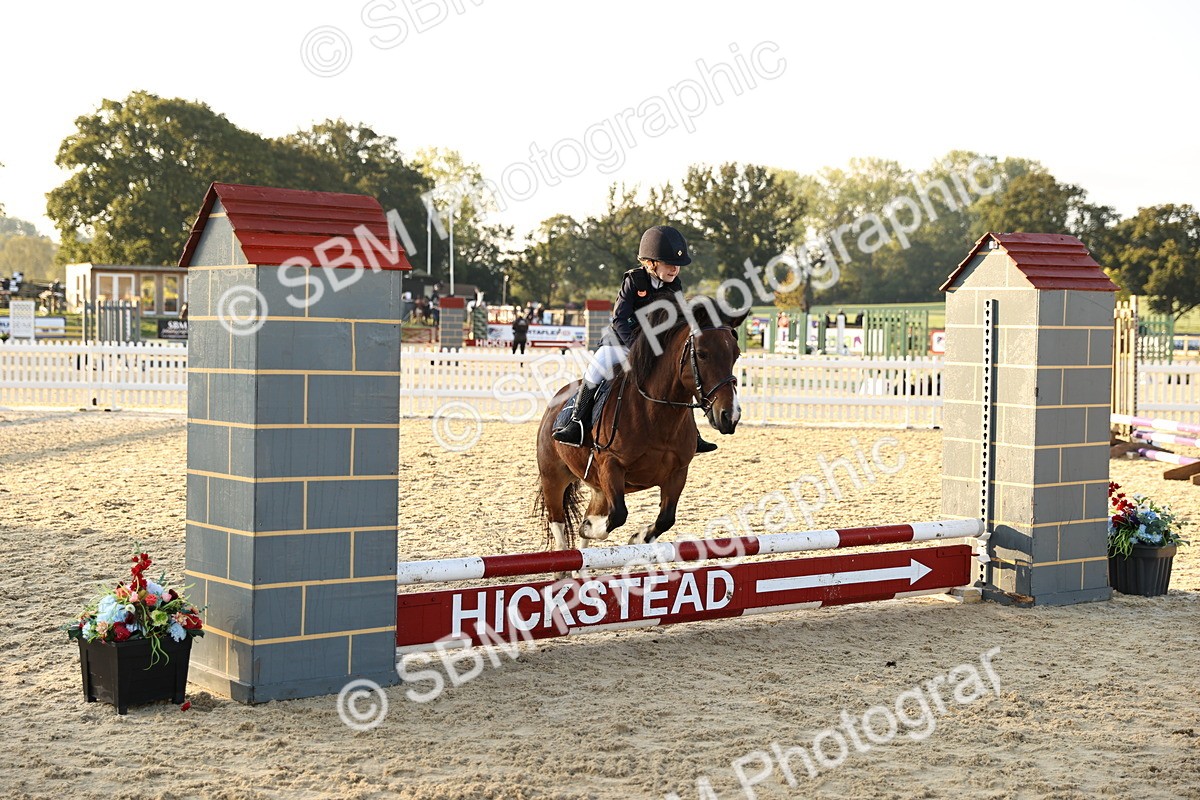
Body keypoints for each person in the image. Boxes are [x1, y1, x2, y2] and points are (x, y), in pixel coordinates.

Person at [552, 225, 718, 454]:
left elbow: (680, 318)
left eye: (677, 265)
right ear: (651, 262)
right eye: (669, 263)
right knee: (596, 370)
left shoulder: (675, 286)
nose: (675, 269)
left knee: (678, 378)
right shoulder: (634, 281)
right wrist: (634, 348)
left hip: (655, 347)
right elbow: (619, 318)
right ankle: (576, 423)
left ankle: (694, 435)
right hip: (621, 342)